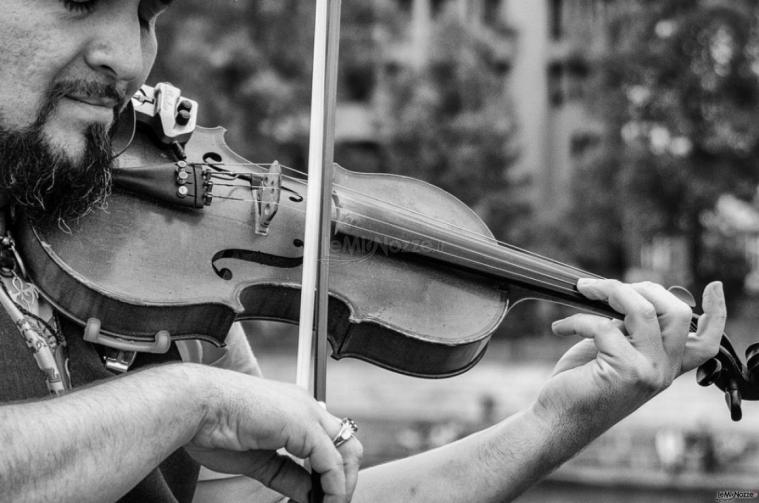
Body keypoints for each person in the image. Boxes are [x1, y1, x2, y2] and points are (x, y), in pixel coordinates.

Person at [0, 1, 727, 502]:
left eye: (146, 14)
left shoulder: (148, 245)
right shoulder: (183, 384)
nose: (125, 57)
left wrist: (556, 421)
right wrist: (184, 402)